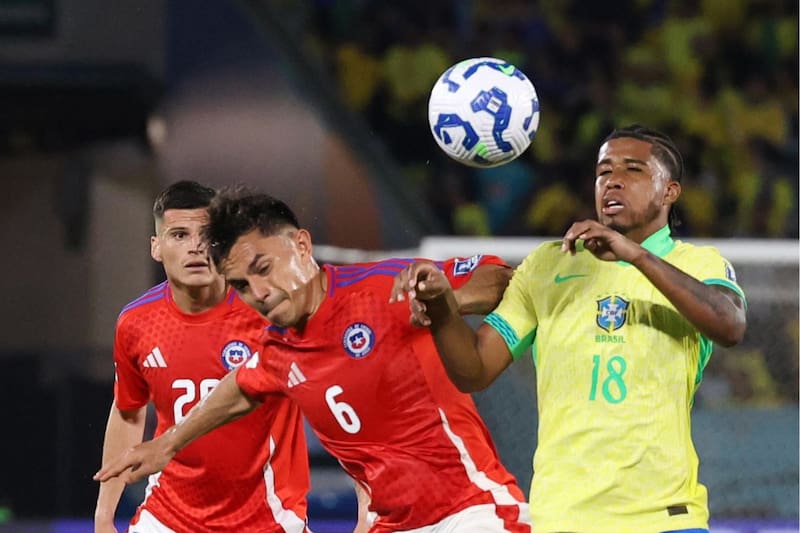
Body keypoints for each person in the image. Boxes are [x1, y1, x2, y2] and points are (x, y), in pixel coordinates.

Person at [95, 188, 531, 533]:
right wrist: (166, 445)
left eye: (264, 268)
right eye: (242, 285)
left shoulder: (383, 289)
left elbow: (501, 276)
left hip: (472, 510)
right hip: (391, 524)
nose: (259, 293)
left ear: (302, 245)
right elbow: (237, 389)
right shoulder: (278, 349)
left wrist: (444, 301)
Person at [396, 124, 748, 533]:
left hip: (665, 515)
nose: (613, 180)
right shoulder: (548, 265)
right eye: (603, 171)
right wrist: (441, 307)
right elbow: (474, 370)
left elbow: (730, 325)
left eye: (633, 170)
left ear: (669, 191)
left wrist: (633, 255)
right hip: (562, 517)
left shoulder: (696, 263)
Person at [94, 181, 310, 533]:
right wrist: (105, 514)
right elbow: (128, 412)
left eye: (207, 235)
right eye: (179, 235)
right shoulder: (136, 323)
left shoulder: (270, 312)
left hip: (266, 517)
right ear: (156, 247)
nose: (195, 247)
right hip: (167, 516)